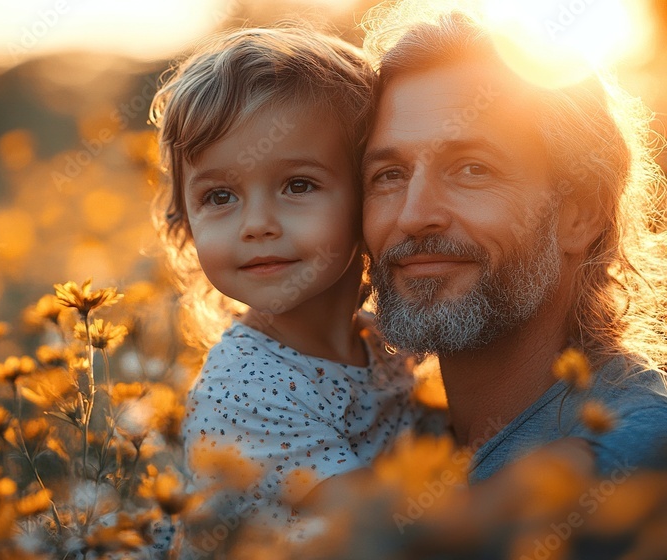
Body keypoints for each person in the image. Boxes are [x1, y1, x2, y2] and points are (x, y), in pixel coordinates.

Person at [358, 1, 667, 483]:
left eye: (472, 169)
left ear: (579, 214)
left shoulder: (634, 456)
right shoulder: (363, 432)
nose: (414, 215)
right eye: (388, 175)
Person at [148, 25, 423, 547]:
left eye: (298, 185)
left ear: (370, 195)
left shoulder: (382, 343)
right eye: (220, 196)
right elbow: (380, 532)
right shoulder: (246, 388)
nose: (256, 224)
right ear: (184, 219)